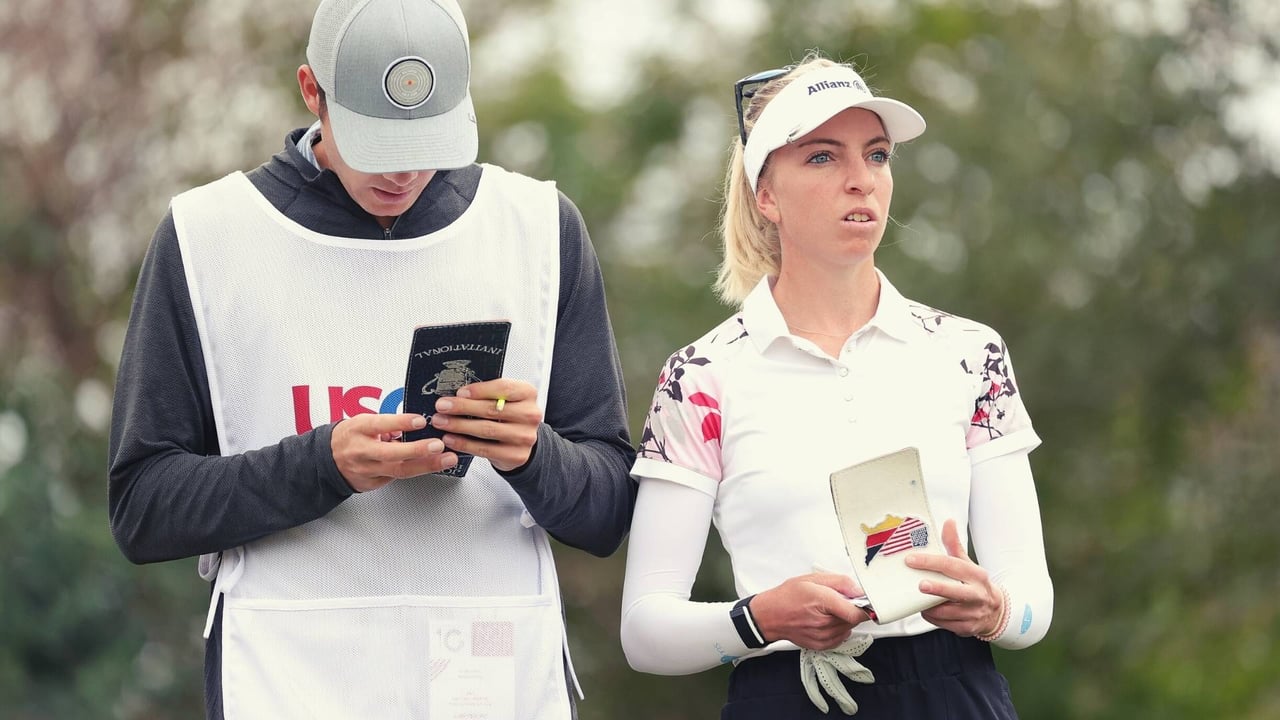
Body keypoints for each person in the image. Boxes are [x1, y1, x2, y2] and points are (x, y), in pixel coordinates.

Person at [107, 0, 636, 717]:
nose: (404, 172)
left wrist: (532, 456)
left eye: (428, 141)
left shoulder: (539, 229)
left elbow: (606, 512)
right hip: (288, 678)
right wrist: (324, 465)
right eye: (375, 143)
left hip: (489, 671)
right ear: (310, 91)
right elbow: (142, 509)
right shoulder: (207, 237)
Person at [619, 54, 1053, 718]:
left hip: (957, 689)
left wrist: (995, 610)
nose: (860, 181)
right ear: (766, 195)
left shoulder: (971, 353)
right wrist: (759, 619)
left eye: (876, 156)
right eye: (823, 158)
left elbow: (1034, 607)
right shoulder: (701, 375)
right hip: (785, 694)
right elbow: (645, 633)